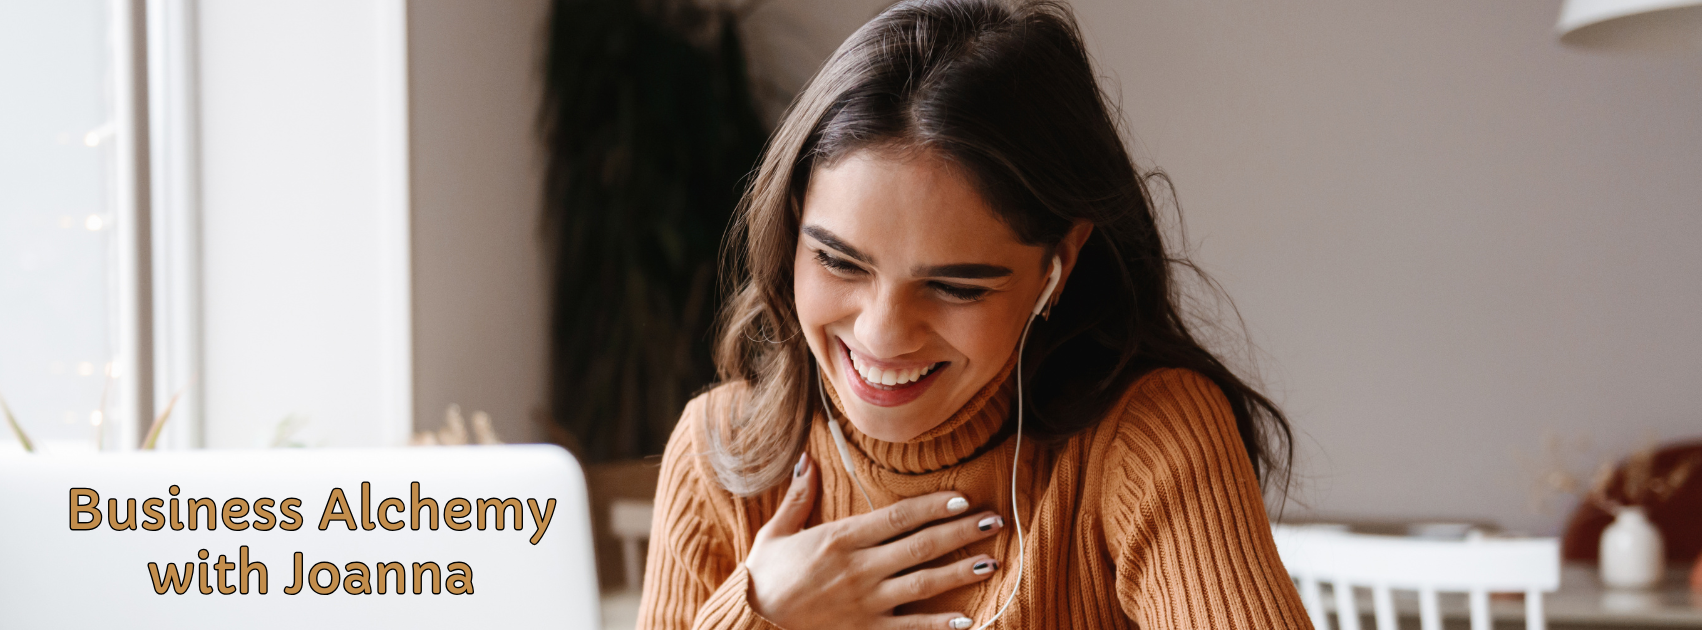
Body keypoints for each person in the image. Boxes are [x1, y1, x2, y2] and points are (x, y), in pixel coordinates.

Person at [637, 0, 1311, 628]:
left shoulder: (1149, 435)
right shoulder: (719, 455)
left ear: (1059, 263)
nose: (881, 334)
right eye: (839, 262)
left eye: (956, 287)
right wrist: (762, 612)